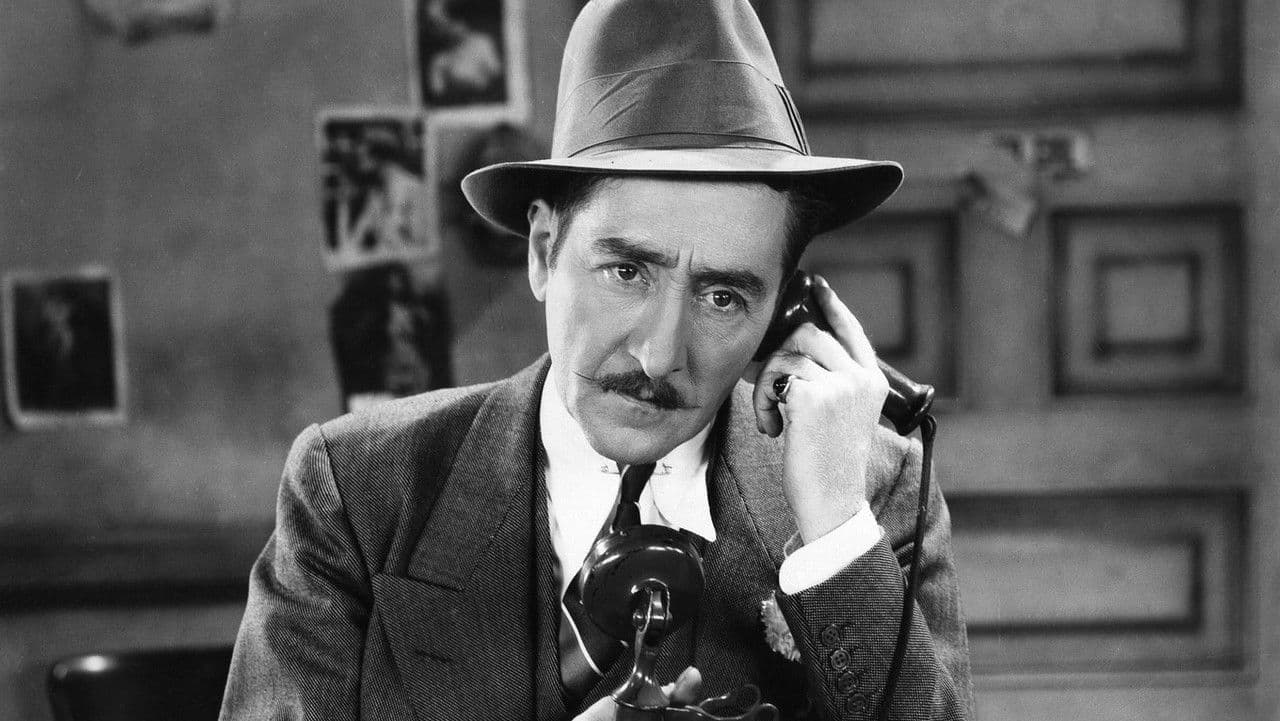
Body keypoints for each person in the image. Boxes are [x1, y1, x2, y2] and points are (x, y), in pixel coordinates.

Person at [220, 1, 972, 720]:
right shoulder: (358, 492)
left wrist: (835, 532)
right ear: (544, 251)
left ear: (785, 311)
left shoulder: (875, 491)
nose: (659, 355)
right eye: (628, 272)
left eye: (723, 297)